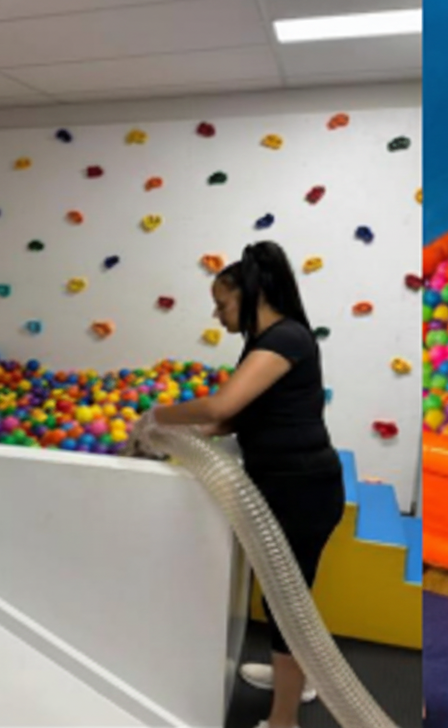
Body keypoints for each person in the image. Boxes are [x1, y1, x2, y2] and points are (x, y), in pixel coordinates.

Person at [133, 240, 343, 728]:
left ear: (251, 295)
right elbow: (235, 419)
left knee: (287, 605)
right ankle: (297, 680)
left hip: (304, 490)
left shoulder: (286, 339)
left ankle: (284, 719)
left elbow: (221, 405)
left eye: (222, 303)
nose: (217, 313)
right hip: (285, 484)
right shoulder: (262, 343)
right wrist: (182, 436)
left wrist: (157, 416)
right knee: (284, 599)